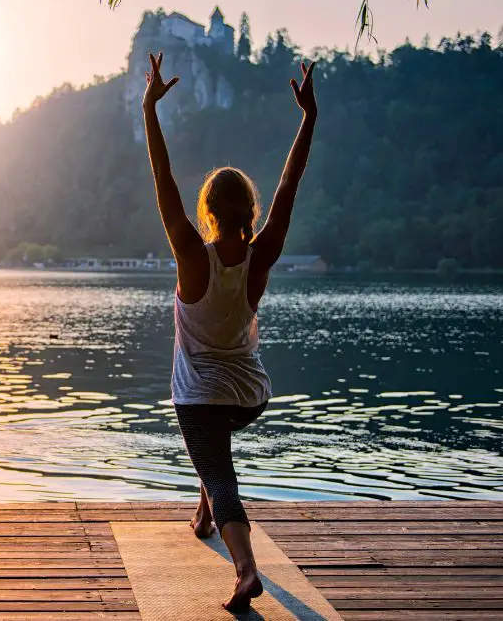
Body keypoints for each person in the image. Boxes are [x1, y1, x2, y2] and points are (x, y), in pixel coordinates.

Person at [142, 51, 317, 612]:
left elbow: (163, 178)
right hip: (250, 395)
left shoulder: (193, 256)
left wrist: (150, 109)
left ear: (208, 212)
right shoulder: (261, 255)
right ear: (249, 212)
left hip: (201, 397)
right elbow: (290, 187)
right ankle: (202, 515)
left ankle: (245, 570)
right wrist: (308, 118)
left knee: (221, 476)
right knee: (212, 454)